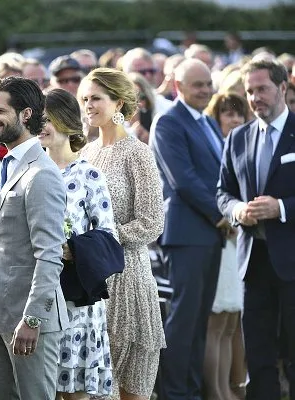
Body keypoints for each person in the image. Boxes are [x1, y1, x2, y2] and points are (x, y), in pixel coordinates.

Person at [0, 76, 69, 399]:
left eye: (0, 111)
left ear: (26, 115)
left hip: (32, 322)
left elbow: (49, 255)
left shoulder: (42, 174)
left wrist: (32, 318)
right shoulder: (7, 166)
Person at [80, 68, 165, 400]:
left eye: (96, 98)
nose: (88, 105)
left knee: (130, 387)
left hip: (128, 277)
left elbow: (150, 223)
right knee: (97, 388)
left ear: (118, 103)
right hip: (90, 280)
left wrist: (99, 240)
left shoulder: (138, 153)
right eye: (84, 98)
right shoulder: (85, 153)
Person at [150, 59, 231, 400]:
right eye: (198, 84)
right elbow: (184, 181)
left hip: (210, 235)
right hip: (187, 236)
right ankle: (175, 393)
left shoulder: (208, 123)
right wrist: (223, 213)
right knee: (183, 323)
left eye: (208, 83)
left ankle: (192, 391)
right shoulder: (168, 122)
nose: (206, 90)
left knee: (200, 321)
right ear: (178, 87)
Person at [217, 59, 295, 400]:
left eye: (262, 89)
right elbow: (223, 192)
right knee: (259, 356)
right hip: (253, 262)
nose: (254, 98)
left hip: (292, 261)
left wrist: (282, 208)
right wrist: (237, 211)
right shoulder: (237, 137)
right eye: (249, 91)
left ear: (282, 88)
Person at [40, 88, 115, 400]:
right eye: (36, 119)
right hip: (38, 296)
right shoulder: (28, 171)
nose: (41, 125)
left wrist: (73, 249)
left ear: (66, 122)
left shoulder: (88, 174)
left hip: (76, 302)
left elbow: (109, 235)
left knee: (75, 393)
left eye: (48, 119)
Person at [203, 92, 249, 400]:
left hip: (237, 242)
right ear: (215, 117)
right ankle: (217, 392)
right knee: (216, 322)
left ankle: (231, 388)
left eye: (238, 114)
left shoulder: (242, 147)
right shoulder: (212, 148)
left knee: (231, 321)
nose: (233, 119)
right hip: (218, 239)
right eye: (227, 113)